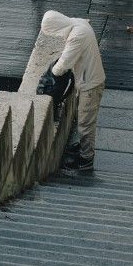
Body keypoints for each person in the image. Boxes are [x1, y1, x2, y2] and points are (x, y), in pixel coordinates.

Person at [40, 11, 105, 174]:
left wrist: (51, 72)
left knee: (85, 123)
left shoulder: (77, 36)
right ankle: (84, 148)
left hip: (90, 85)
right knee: (85, 120)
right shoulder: (79, 23)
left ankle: (86, 159)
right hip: (90, 78)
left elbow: (63, 65)